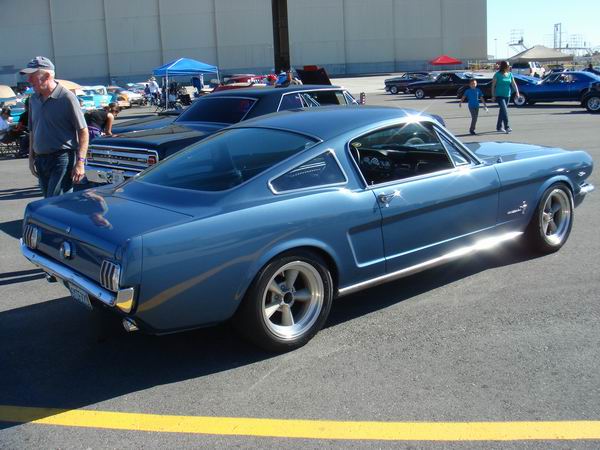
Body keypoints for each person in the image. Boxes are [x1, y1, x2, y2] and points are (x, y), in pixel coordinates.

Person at [20, 56, 88, 198]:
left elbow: (83, 131)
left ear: (47, 76)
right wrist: (31, 158)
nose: (29, 80)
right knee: (48, 202)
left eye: (32, 76)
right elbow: (32, 131)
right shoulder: (33, 99)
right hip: (41, 159)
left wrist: (80, 162)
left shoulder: (67, 98)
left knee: (56, 202)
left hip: (61, 158)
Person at [491, 60, 520, 134]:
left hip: (507, 95)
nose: (509, 67)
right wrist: (493, 95)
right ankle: (507, 127)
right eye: (508, 65)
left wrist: (517, 92)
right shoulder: (497, 74)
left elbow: (513, 84)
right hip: (499, 95)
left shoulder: (510, 74)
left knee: (502, 111)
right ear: (504, 66)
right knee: (505, 110)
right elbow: (493, 86)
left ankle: (499, 127)